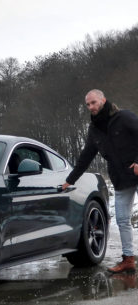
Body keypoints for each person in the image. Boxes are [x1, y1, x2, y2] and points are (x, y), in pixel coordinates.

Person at [62, 89, 138, 273]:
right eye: (88, 105)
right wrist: (70, 180)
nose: (91, 107)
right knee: (122, 219)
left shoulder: (124, 117)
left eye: (93, 102)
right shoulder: (94, 129)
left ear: (103, 100)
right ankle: (128, 259)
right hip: (120, 178)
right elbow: (86, 156)